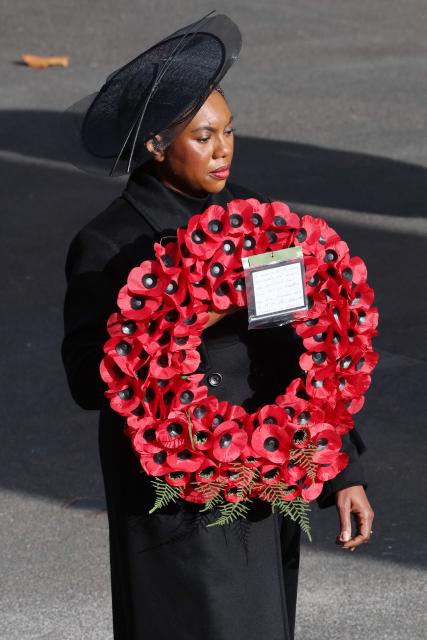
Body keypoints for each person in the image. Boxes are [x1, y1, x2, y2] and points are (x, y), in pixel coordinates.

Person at [61, 13, 374, 640]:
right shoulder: (109, 243)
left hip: (264, 474)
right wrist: (185, 318)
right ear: (156, 144)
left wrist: (342, 473)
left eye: (229, 132)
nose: (223, 150)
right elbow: (86, 382)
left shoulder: (253, 219)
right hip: (172, 496)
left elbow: (298, 353)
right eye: (204, 137)